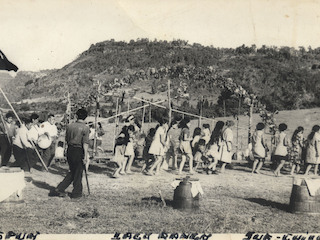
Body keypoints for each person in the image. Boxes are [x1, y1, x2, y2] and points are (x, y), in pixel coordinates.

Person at [50, 108, 90, 199]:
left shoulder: (69, 126)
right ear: (85, 117)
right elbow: (85, 143)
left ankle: (60, 188)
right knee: (78, 172)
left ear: (76, 116)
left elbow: (67, 139)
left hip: (70, 150)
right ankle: (76, 193)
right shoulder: (85, 128)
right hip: (79, 150)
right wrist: (85, 156)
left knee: (73, 171)